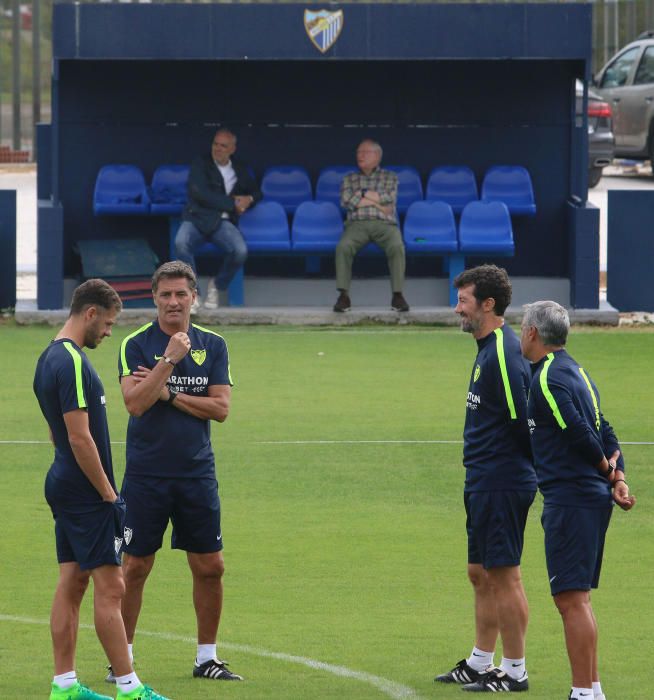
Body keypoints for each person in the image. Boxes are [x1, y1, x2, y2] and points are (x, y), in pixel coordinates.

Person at [33, 279, 169, 700]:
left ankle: (65, 685)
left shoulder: (46, 357)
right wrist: (108, 493)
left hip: (63, 482)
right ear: (89, 313)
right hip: (85, 491)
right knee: (112, 588)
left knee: (71, 582)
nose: (109, 332)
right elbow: (78, 437)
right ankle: (130, 689)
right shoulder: (71, 361)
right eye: (107, 324)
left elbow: (56, 434)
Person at [111, 260, 242, 683]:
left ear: (193, 298)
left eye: (180, 294)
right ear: (154, 298)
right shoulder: (135, 343)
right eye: (165, 294)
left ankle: (207, 658)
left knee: (211, 566)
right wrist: (169, 361)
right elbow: (134, 403)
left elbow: (220, 409)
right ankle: (122, 661)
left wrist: (166, 393)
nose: (173, 302)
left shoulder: (214, 345)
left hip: (196, 474)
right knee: (135, 567)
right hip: (146, 474)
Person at [520, 300, 635, 700]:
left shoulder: (547, 379)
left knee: (570, 600)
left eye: (523, 327)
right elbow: (606, 425)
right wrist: (619, 477)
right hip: (590, 498)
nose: (521, 333)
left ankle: (582, 693)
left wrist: (606, 470)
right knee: (578, 598)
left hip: (572, 499)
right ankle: (593, 689)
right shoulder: (577, 371)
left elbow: (581, 431)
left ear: (533, 333)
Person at [434, 264, 536, 693]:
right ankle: (480, 661)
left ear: (488, 305)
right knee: (479, 572)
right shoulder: (486, 348)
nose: (457, 309)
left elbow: (525, 421)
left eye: (463, 301)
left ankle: (514, 672)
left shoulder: (504, 354)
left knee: (504, 576)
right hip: (482, 478)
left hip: (501, 480)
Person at [175, 128, 262, 312]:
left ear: (232, 149)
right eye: (216, 144)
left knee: (240, 251)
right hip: (196, 217)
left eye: (223, 146)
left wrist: (249, 199)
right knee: (181, 243)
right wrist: (232, 204)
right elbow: (200, 193)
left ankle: (217, 286)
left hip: (221, 222)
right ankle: (193, 294)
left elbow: (256, 191)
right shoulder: (201, 163)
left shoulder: (238, 168)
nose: (218, 148)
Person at [333, 139, 410, 313]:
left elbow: (389, 200)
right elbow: (346, 202)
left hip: (385, 224)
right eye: (358, 152)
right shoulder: (349, 178)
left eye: (365, 152)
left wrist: (361, 195)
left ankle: (397, 295)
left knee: (397, 246)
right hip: (357, 224)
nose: (360, 156)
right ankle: (343, 295)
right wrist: (377, 202)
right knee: (343, 247)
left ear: (377, 156)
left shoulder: (390, 176)